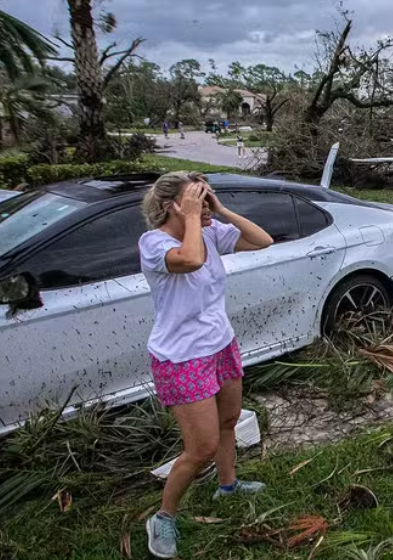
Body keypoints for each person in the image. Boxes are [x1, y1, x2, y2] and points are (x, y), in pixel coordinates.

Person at [138, 172, 274, 558]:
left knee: (229, 421)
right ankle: (163, 517)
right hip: (182, 358)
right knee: (201, 447)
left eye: (204, 196)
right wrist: (195, 218)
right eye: (195, 198)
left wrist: (219, 209)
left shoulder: (210, 232)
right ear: (171, 207)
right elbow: (191, 259)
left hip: (220, 344)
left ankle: (228, 484)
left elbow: (262, 240)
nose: (203, 202)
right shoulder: (154, 243)